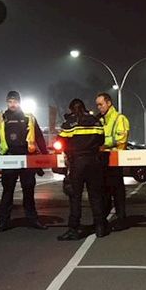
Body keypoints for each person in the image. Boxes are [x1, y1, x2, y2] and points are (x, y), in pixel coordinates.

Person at [0, 90, 47, 231]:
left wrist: (46, 156)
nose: (12, 104)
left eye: (15, 101)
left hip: (27, 158)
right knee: (7, 192)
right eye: (10, 101)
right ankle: (3, 221)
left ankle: (32, 219)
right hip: (8, 158)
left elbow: (39, 137)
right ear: (6, 102)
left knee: (28, 191)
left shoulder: (29, 117)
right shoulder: (0, 118)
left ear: (19, 102)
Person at [57, 99, 108, 240]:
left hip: (77, 164)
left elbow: (60, 141)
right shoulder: (96, 121)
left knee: (75, 198)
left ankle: (73, 229)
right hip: (94, 162)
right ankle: (100, 228)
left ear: (72, 109)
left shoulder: (70, 123)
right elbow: (102, 140)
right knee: (95, 196)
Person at [95, 91, 130, 230]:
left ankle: (121, 219)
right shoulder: (100, 119)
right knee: (104, 192)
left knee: (117, 191)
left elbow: (121, 139)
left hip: (115, 160)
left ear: (109, 103)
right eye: (97, 105)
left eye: (101, 104)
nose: (99, 107)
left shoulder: (119, 119)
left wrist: (104, 145)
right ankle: (103, 221)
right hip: (102, 160)